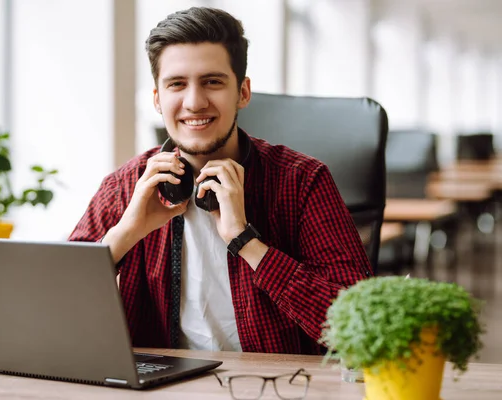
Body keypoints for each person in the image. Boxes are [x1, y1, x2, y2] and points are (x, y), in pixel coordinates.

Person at [69, 6, 372, 354]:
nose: (194, 102)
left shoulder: (302, 181)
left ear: (243, 92)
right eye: (177, 84)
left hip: (275, 388)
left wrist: (246, 242)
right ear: (157, 98)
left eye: (212, 82)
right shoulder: (124, 186)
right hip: (162, 390)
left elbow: (359, 325)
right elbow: (53, 310)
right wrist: (124, 235)